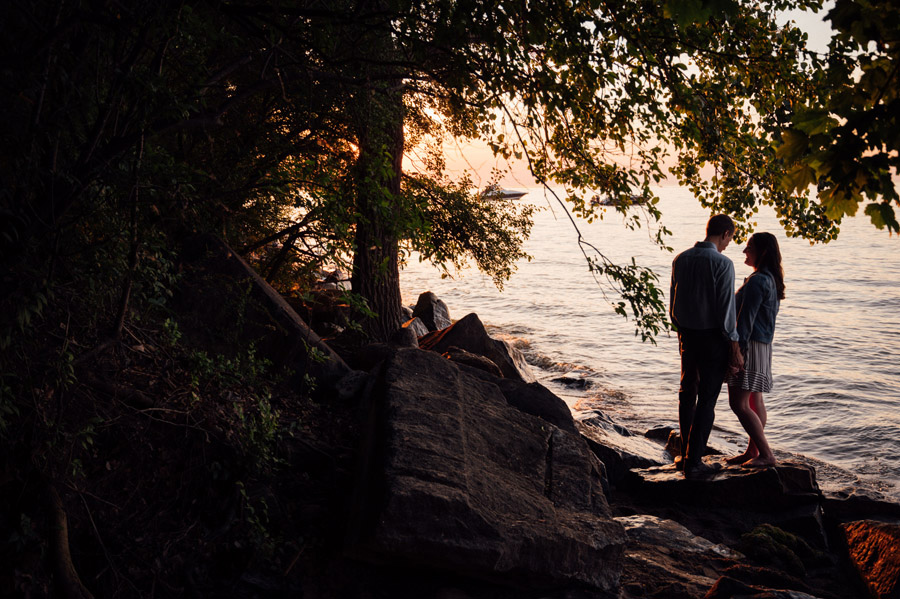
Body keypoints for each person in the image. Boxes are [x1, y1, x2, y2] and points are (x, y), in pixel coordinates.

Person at [670, 214, 744, 477]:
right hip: (713, 337)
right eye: (731, 239)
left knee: (687, 392)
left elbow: (673, 301)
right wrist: (734, 344)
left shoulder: (681, 258)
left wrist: (680, 327)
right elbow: (726, 310)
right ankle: (694, 461)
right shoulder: (723, 263)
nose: (728, 245)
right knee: (707, 399)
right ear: (725, 233)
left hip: (687, 334)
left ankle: (683, 454)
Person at [725, 232, 785, 468]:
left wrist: (737, 352)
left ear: (763, 252)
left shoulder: (758, 280)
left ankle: (767, 454)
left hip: (749, 346)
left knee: (738, 404)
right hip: (763, 346)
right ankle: (754, 451)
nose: (744, 251)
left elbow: (745, 321)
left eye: (749, 247)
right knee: (754, 399)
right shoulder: (770, 278)